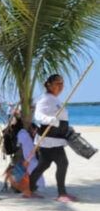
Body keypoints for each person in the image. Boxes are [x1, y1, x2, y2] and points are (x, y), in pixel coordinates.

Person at [29, 74, 76, 202]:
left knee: (43, 165)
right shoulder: (45, 99)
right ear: (49, 85)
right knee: (63, 163)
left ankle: (29, 189)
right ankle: (62, 194)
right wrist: (51, 120)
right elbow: (38, 116)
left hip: (55, 140)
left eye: (62, 83)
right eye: (57, 83)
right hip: (50, 141)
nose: (60, 86)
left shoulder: (54, 99)